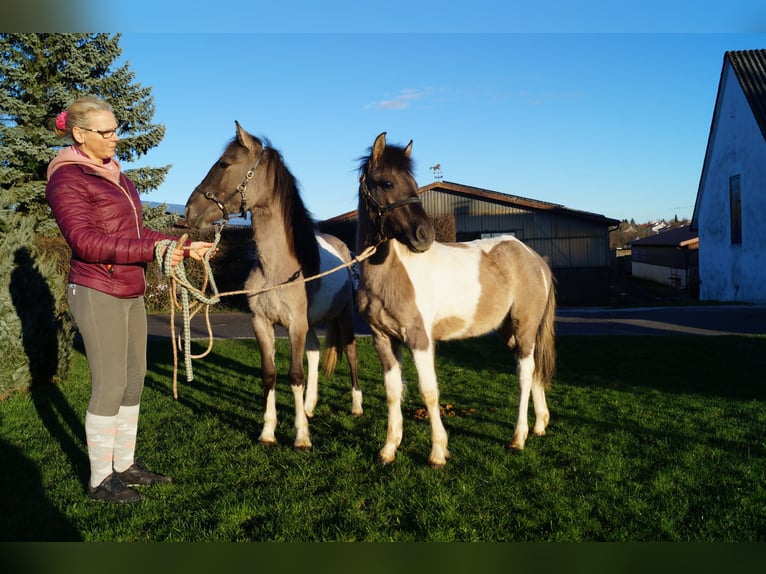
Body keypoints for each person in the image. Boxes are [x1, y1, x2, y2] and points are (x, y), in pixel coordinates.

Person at [45, 95, 215, 504]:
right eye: (105, 132)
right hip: (95, 288)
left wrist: (183, 245)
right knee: (110, 384)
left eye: (116, 129)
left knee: (134, 378)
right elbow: (84, 240)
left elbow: (138, 235)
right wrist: (150, 252)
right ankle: (100, 479)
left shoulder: (118, 177)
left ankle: (125, 465)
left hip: (129, 289)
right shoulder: (67, 179)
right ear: (81, 134)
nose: (115, 138)